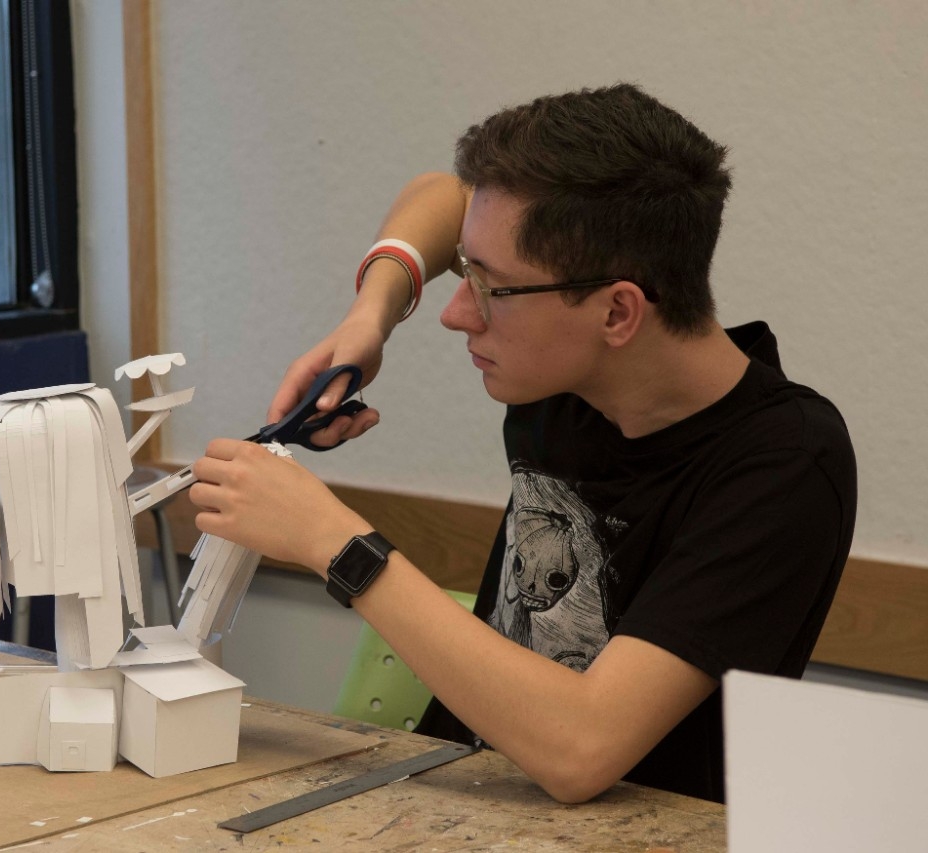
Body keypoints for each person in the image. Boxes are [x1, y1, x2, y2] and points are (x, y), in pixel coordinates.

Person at [188, 83, 857, 804]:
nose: (453, 312)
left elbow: (581, 748)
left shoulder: (784, 466)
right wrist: (371, 315)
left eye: (491, 288)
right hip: (460, 793)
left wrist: (332, 540)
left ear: (618, 311)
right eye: (464, 270)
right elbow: (445, 197)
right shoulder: (572, 366)